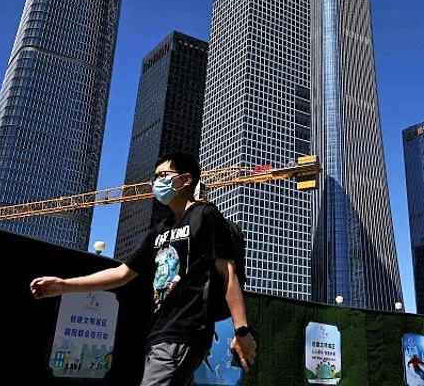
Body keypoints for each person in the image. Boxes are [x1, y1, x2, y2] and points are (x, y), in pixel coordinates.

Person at [30, 152, 257, 386]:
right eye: (155, 178)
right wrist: (65, 285)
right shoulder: (159, 230)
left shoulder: (205, 215)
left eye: (164, 175)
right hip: (158, 334)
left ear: (186, 180)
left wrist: (242, 331)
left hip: (185, 331)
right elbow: (121, 274)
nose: (157, 183)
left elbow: (227, 273)